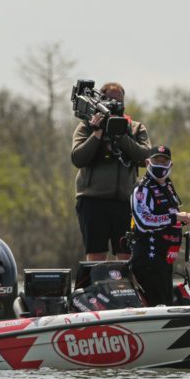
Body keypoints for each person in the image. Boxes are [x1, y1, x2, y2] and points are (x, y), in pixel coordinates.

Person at [71, 82, 151, 261]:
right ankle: (97, 280)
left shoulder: (135, 128)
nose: (114, 105)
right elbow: (78, 158)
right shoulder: (87, 126)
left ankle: (124, 280)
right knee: (96, 255)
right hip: (92, 201)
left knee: (126, 255)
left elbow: (145, 158)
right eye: (110, 101)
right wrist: (97, 134)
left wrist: (121, 135)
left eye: (119, 102)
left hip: (125, 202)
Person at [130, 145, 190, 306]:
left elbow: (167, 216)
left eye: (164, 161)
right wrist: (175, 217)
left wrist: (182, 219)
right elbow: (144, 221)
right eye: (156, 161)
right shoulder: (142, 189)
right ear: (147, 163)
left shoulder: (168, 186)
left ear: (170, 164)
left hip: (165, 260)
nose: (160, 165)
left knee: (166, 304)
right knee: (159, 306)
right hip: (148, 260)